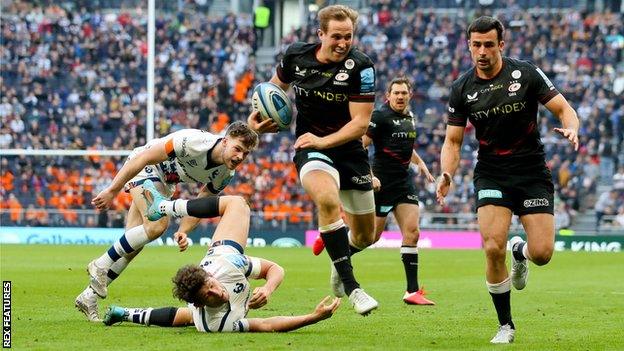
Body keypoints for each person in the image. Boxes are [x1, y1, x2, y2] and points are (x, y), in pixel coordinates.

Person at [436, 16, 579, 344]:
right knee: (491, 246)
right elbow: (453, 141)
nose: (482, 51)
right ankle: (506, 325)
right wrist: (447, 173)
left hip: (531, 171)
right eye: (476, 45)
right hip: (492, 173)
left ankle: (521, 253)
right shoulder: (462, 88)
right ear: (468, 46)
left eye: (488, 44)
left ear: (501, 45)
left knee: (542, 253)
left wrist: (572, 127)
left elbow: (564, 109)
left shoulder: (525, 73)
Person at [248, 4, 378, 315]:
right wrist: (257, 118)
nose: (343, 43)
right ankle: (352, 287)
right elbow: (272, 89)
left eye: (348, 37)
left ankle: (340, 258)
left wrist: (326, 140)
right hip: (310, 147)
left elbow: (360, 124)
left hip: (349, 149)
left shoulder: (362, 67)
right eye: (336, 37)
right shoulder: (296, 56)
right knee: (327, 200)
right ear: (320, 34)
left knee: (366, 235)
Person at [75, 121, 259, 322]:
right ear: (225, 141)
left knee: (132, 248)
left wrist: (184, 230)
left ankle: (89, 296)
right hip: (145, 168)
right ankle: (101, 264)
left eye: (246, 154)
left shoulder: (225, 173)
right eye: (237, 149)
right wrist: (112, 190)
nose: (240, 157)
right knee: (157, 226)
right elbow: (144, 157)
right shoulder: (193, 141)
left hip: (165, 184)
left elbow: (201, 202)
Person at [102, 183, 341, 332]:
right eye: (208, 295)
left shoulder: (228, 265)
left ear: (210, 277)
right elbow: (266, 325)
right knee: (189, 318)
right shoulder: (215, 325)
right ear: (200, 302)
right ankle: (123, 312)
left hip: (222, 251)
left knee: (237, 203)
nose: (217, 291)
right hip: (202, 309)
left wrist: (268, 289)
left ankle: (166, 207)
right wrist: (313, 317)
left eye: (211, 285)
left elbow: (275, 269)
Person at [361, 77, 436, 305]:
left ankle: (411, 291)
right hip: (382, 183)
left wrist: (420, 164)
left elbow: (406, 147)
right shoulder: (380, 116)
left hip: (404, 183)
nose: (401, 96)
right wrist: (370, 175)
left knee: (412, 232)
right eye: (397, 93)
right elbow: (360, 146)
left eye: (404, 93)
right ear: (389, 95)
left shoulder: (409, 117)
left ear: (410, 95)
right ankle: (337, 250)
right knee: (369, 237)